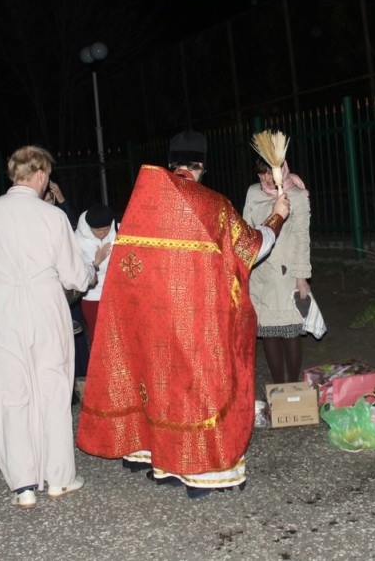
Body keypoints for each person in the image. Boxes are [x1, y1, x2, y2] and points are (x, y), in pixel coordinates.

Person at [76, 130, 290, 498]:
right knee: (197, 392)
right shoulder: (212, 206)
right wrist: (277, 217)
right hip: (196, 322)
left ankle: (160, 462)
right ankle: (202, 473)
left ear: (171, 161)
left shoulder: (141, 205)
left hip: (151, 321)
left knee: (156, 384)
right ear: (201, 165)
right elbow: (250, 249)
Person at [0, 145, 92, 509]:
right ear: (39, 174)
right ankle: (59, 478)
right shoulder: (51, 217)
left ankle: (23, 484)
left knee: (10, 391)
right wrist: (89, 274)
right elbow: (74, 273)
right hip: (44, 304)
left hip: (3, 305)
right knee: (52, 387)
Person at [244, 157, 312, 383]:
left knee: (290, 330)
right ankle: (278, 387)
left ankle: (293, 385)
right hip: (260, 272)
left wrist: (301, 277)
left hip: (286, 273)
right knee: (268, 330)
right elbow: (245, 230)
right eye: (262, 173)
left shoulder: (298, 196)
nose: (267, 179)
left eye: (271, 172)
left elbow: (303, 238)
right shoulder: (253, 193)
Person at [73, 203, 117, 397]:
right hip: (92, 297)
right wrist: (96, 262)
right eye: (98, 231)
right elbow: (77, 272)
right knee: (98, 337)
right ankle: (101, 380)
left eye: (106, 230)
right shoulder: (77, 240)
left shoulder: (118, 231)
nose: (102, 234)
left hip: (115, 293)